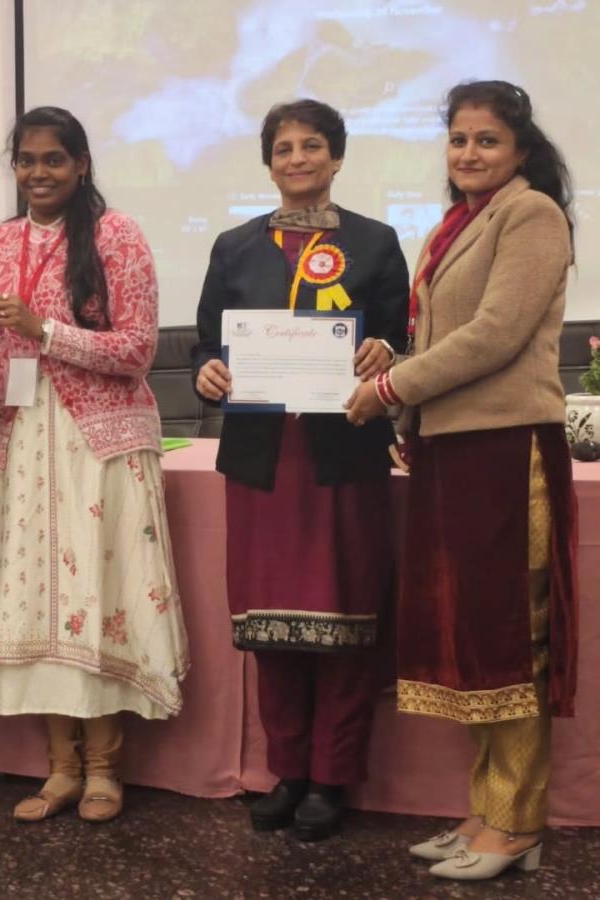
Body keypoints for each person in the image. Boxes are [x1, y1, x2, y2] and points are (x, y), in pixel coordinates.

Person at [345, 80, 578, 881]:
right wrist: (406, 405)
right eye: (458, 139)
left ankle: (516, 825)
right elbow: (445, 335)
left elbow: (496, 334)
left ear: (521, 150)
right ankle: (487, 811)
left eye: (487, 140)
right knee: (472, 641)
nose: (469, 153)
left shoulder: (532, 214)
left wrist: (390, 388)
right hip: (453, 448)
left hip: (506, 449)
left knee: (509, 639)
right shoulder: (458, 224)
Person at [0, 106, 189, 824]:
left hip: (100, 446)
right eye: (26, 160)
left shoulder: (118, 236)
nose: (39, 173)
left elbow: (138, 350)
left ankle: (105, 771)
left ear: (81, 164)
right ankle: (59, 768)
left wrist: (45, 331)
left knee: (97, 597)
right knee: (36, 606)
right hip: (20, 442)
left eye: (53, 159)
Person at [192, 99, 409, 840]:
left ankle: (332, 777)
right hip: (262, 461)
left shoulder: (375, 242)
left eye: (311, 146)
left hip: (343, 457)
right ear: (268, 164)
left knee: (343, 619)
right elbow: (207, 346)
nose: (297, 159)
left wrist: (387, 352)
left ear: (337, 158)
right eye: (283, 148)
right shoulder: (234, 247)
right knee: (270, 627)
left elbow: (399, 337)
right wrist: (208, 373)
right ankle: (286, 771)